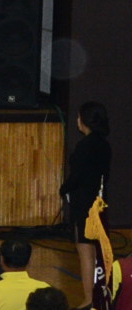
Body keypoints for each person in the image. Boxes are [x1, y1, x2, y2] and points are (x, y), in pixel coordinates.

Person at [63, 103, 111, 287]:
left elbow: (78, 175)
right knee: (97, 250)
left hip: (84, 203)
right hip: (99, 201)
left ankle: (89, 297)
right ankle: (99, 294)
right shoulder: (104, 145)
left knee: (84, 249)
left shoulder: (85, 145)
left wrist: (64, 188)